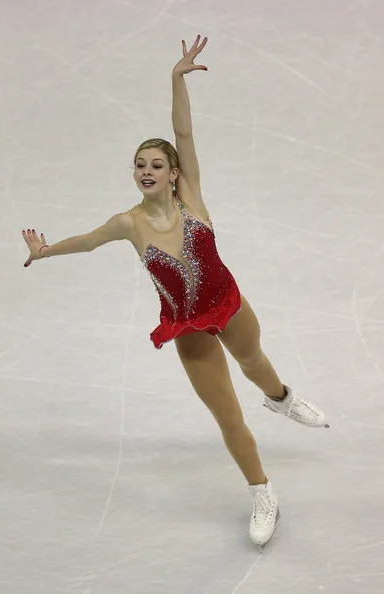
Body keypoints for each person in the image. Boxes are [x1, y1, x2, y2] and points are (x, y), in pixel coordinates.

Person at [22, 35, 328, 549]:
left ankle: (282, 399)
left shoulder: (192, 197)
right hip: (187, 326)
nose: (146, 170)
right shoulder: (128, 223)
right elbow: (90, 242)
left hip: (227, 303)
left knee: (255, 363)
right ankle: (262, 491)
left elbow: (183, 132)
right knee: (227, 413)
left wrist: (176, 78)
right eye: (139, 164)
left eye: (156, 164)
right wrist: (46, 250)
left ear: (174, 174)